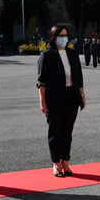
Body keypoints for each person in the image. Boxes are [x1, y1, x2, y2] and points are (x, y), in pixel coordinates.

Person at [37, 25, 86, 177]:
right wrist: (42, 101)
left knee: (67, 131)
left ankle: (66, 161)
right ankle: (56, 163)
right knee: (55, 131)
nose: (64, 38)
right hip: (54, 98)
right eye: (61, 36)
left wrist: (82, 95)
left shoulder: (72, 54)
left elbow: (78, 76)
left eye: (66, 35)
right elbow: (41, 81)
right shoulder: (47, 55)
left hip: (71, 96)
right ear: (53, 37)